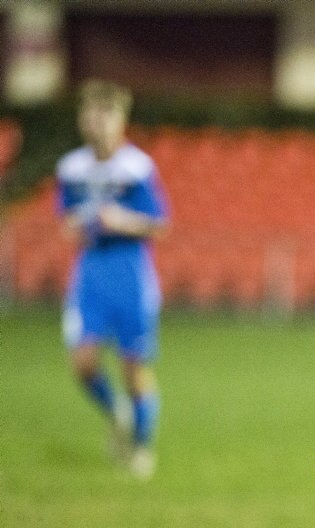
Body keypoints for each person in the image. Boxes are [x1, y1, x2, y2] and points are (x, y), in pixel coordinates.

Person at [57, 78, 169, 480]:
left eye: (107, 114)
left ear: (121, 121)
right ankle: (116, 413)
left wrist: (121, 221)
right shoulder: (71, 168)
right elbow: (66, 221)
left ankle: (139, 446)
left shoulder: (136, 168)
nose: (98, 122)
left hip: (130, 271)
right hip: (90, 272)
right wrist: (82, 222)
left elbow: (159, 224)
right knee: (83, 362)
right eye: (91, 114)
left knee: (133, 367)